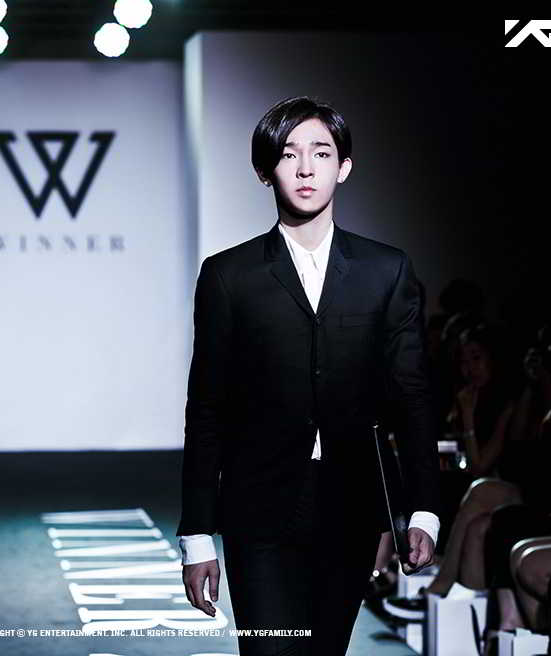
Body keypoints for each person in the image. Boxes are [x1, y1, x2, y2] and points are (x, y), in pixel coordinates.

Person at [176, 96, 442, 655]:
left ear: (343, 167)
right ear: (264, 171)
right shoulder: (229, 276)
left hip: (351, 506)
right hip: (258, 510)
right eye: (288, 154)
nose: (304, 169)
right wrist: (196, 534)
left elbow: (412, 394)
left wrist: (423, 507)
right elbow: (207, 407)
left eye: (321, 153)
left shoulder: (385, 270)